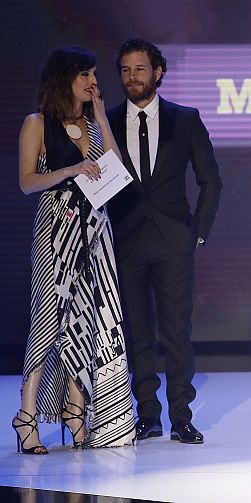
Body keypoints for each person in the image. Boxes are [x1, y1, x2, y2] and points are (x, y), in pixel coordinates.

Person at [13, 46, 136, 454]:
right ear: (66, 78)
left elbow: (117, 170)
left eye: (95, 75)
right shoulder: (37, 123)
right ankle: (26, 417)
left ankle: (75, 411)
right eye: (86, 75)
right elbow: (27, 182)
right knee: (48, 321)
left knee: (89, 322)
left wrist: (101, 117)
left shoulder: (92, 123)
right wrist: (69, 169)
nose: (93, 81)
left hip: (96, 232)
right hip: (56, 230)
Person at [107, 39, 222, 444]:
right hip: (127, 241)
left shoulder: (184, 119)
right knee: (137, 333)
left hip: (175, 241)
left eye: (139, 69)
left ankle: (181, 418)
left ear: (157, 72)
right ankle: (147, 417)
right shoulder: (106, 121)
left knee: (176, 333)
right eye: (124, 70)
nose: (131, 77)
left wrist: (198, 231)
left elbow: (211, 180)